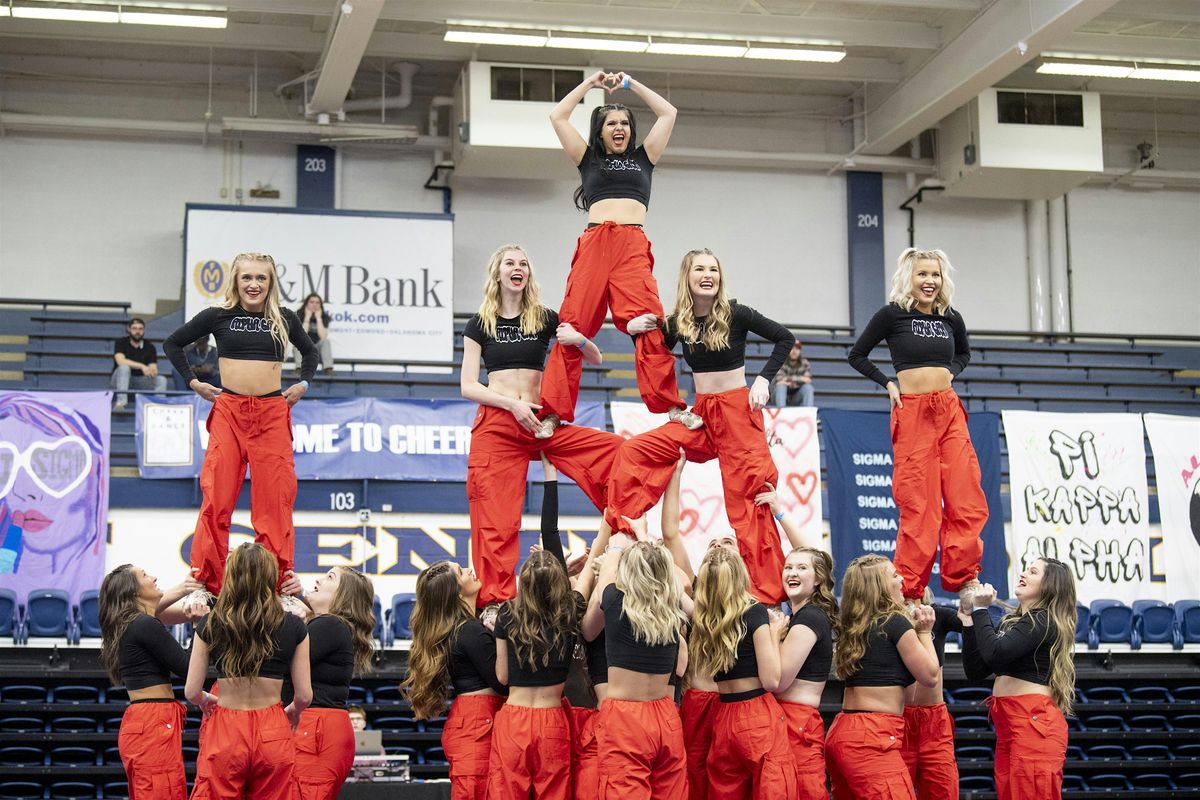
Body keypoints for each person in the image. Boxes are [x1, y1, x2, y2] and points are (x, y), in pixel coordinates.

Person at [610, 248, 796, 604]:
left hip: (738, 412)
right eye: (700, 269)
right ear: (688, 276)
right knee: (636, 450)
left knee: (748, 504)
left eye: (713, 269)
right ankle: (624, 535)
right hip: (700, 416)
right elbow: (652, 351)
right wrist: (630, 330)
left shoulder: (736, 313)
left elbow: (784, 337)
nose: (708, 274)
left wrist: (764, 380)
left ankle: (767, 598)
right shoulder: (679, 320)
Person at [461, 245, 622, 610]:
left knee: (614, 451)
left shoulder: (545, 317)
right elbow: (468, 385)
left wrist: (578, 340)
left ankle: (627, 538)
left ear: (528, 274)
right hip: (500, 422)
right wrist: (512, 405)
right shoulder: (479, 323)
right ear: (498, 273)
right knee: (494, 521)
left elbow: (595, 356)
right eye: (510, 263)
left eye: (523, 264)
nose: (517, 268)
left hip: (543, 423)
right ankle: (495, 605)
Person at [537, 70, 696, 438]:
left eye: (625, 122)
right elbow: (557, 116)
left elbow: (668, 113)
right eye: (612, 123)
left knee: (649, 322)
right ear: (601, 129)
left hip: (632, 246)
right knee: (571, 327)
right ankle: (553, 414)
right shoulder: (587, 158)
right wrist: (590, 85)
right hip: (595, 244)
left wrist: (630, 84)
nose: (619, 127)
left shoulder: (646, 157)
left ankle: (672, 407)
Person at [163, 252, 317, 608]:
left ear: (271, 283)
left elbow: (311, 355)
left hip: (271, 415)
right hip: (230, 413)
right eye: (247, 277)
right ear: (236, 280)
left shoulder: (285, 319)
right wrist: (193, 381)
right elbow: (172, 343)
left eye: (261, 278)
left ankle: (279, 588)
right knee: (215, 498)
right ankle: (205, 583)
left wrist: (303, 385)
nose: (253, 284)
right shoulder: (218, 316)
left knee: (275, 503)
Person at [847, 247, 988, 608]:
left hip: (949, 410)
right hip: (913, 414)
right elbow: (856, 354)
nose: (930, 281)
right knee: (918, 504)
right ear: (909, 276)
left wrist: (950, 375)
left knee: (965, 496)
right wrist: (888, 383)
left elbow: (964, 355)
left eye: (935, 275)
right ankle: (909, 590)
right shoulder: (892, 315)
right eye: (923, 274)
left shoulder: (950, 317)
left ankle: (966, 579)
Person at [185, 542, 312, 800]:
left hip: (226, 727)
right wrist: (292, 712)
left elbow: (191, 691)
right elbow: (305, 696)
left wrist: (207, 700)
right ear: (270, 577)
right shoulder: (294, 625)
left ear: (230, 576)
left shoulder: (212, 621)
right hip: (273, 727)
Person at [581, 534, 689, 799]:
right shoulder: (671, 603)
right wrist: (644, 538)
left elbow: (607, 570)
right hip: (665, 714)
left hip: (625, 719)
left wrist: (617, 544)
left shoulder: (616, 599)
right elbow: (679, 579)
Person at [825, 555, 940, 799]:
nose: (901, 580)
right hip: (871, 737)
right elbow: (930, 675)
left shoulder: (854, 626)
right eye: (894, 576)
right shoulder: (895, 621)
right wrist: (924, 632)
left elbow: (908, 691)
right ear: (880, 586)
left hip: (843, 733)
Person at [962, 560, 1077, 800]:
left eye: (1033, 572)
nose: (1023, 573)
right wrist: (970, 619)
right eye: (1025, 568)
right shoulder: (1013, 623)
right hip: (1010, 728)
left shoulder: (1043, 619)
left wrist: (982, 610)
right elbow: (976, 669)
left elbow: (996, 654)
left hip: (1032, 726)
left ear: (1050, 585)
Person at [689, 546, 796, 799]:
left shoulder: (704, 618)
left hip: (724, 715)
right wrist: (774, 632)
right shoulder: (754, 611)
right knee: (774, 788)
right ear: (740, 576)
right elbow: (772, 679)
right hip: (756, 713)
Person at [402, 560, 506, 800]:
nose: (470, 569)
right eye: (461, 571)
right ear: (457, 592)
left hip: (473, 721)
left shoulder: (464, 628)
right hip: (479, 723)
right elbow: (503, 682)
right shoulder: (469, 630)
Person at [99, 565, 203, 800]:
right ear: (133, 592)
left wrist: (184, 588)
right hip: (153, 721)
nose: (154, 577)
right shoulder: (144, 624)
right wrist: (198, 626)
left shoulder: (133, 623)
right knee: (163, 791)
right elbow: (188, 668)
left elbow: (160, 609)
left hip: (145, 720)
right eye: (145, 575)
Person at [488, 550, 584, 800]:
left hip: (514, 720)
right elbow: (585, 583)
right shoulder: (569, 611)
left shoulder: (507, 613)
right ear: (558, 584)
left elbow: (503, 676)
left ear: (523, 582)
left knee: (506, 792)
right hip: (551, 719)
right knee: (554, 793)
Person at [291, 567, 376, 800]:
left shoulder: (330, 625)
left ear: (344, 596)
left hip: (315, 728)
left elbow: (280, 661)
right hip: (319, 726)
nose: (317, 578)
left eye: (330, 577)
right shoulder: (329, 626)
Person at [775, 548, 837, 800]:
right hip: (791, 721)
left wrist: (771, 634)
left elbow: (779, 680)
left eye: (802, 568)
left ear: (819, 578)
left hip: (796, 721)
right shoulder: (799, 615)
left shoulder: (810, 617)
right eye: (788, 567)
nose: (792, 573)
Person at [900, 588, 963, 800]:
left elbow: (969, 621)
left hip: (934, 721)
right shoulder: (888, 619)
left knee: (943, 789)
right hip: (899, 720)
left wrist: (968, 591)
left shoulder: (938, 615)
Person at [111, 317, 168, 409]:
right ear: (129, 329)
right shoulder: (121, 342)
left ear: (144, 330)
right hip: (119, 380)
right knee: (124, 368)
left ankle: (157, 407)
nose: (137, 331)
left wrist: (152, 371)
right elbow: (120, 361)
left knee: (161, 380)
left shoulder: (150, 347)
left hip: (139, 381)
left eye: (140, 329)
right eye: (134, 328)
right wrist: (141, 366)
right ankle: (121, 403)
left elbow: (153, 367)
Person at [295, 292, 334, 373]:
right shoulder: (299, 315)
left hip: (317, 348)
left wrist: (318, 318)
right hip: (304, 347)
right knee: (298, 343)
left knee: (326, 341)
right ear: (306, 303)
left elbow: (323, 337)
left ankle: (328, 368)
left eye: (317, 302)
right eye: (311, 302)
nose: (314, 305)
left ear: (320, 305)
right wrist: (307, 318)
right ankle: (299, 368)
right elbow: (301, 336)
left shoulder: (324, 317)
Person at [772, 342, 813, 408]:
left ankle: (808, 414)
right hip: (778, 396)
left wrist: (788, 380)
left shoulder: (805, 363)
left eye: (797, 349)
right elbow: (779, 379)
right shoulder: (781, 361)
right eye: (792, 348)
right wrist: (800, 379)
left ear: (800, 351)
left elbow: (808, 380)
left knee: (808, 388)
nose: (794, 351)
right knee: (781, 386)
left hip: (795, 397)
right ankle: (782, 414)